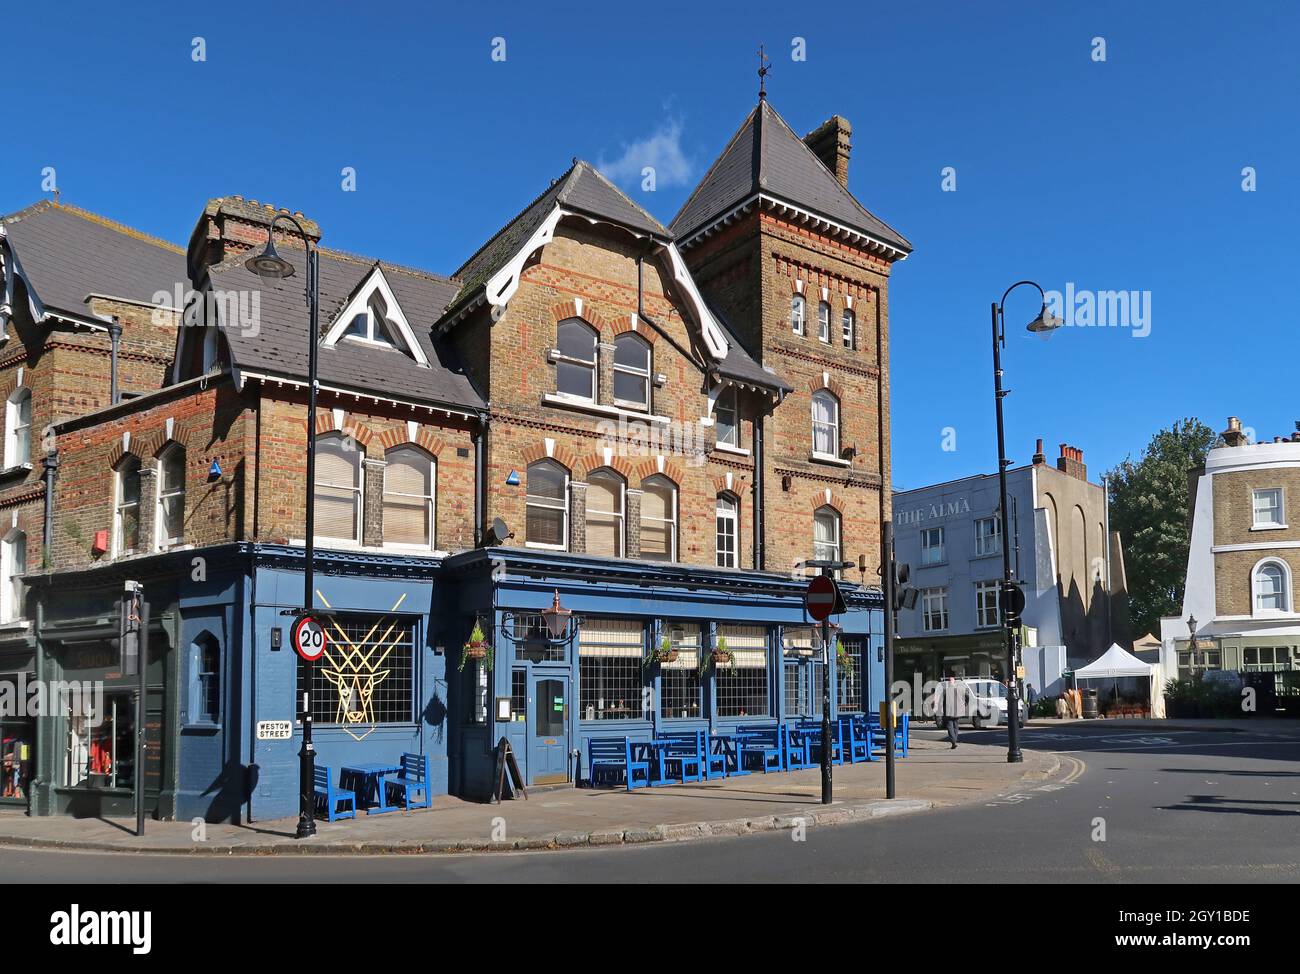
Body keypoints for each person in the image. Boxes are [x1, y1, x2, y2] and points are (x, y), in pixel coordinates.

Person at [936, 677, 965, 749]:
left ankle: (953, 741)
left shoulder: (945, 691)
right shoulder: (960, 689)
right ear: (954, 682)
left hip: (948, 711)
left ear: (949, 683)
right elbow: (967, 696)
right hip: (957, 711)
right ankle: (954, 741)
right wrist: (965, 703)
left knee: (950, 726)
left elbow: (940, 701)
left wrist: (940, 709)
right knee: (956, 725)